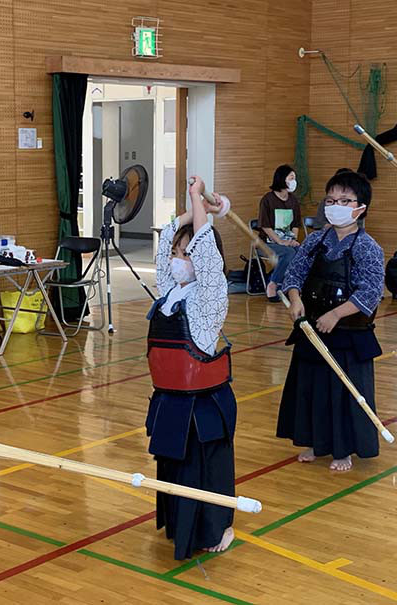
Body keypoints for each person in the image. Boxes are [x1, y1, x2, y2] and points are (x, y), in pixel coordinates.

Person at [146, 175, 236, 560]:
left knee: (205, 471)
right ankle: (179, 525)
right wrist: (195, 208)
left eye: (188, 255)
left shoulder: (209, 296)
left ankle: (220, 527)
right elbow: (168, 235)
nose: (179, 261)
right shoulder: (169, 292)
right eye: (177, 255)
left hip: (203, 407)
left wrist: (199, 201)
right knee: (173, 468)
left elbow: (205, 251)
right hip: (170, 402)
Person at [276, 169, 384, 472]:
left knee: (342, 393)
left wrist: (337, 314)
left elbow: (371, 292)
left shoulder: (368, 247)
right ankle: (315, 441)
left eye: (345, 200)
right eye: (332, 199)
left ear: (360, 207)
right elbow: (294, 274)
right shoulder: (315, 241)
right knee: (312, 388)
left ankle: (342, 449)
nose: (336, 205)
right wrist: (295, 300)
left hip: (348, 333)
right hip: (313, 330)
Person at [258, 164, 302, 301]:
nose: (294, 180)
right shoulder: (268, 200)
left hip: (286, 241)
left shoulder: (293, 200)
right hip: (268, 243)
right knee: (289, 253)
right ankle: (273, 284)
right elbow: (265, 226)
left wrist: (292, 239)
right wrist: (281, 241)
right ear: (282, 179)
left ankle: (292, 287)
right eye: (291, 177)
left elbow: (295, 224)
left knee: (301, 252)